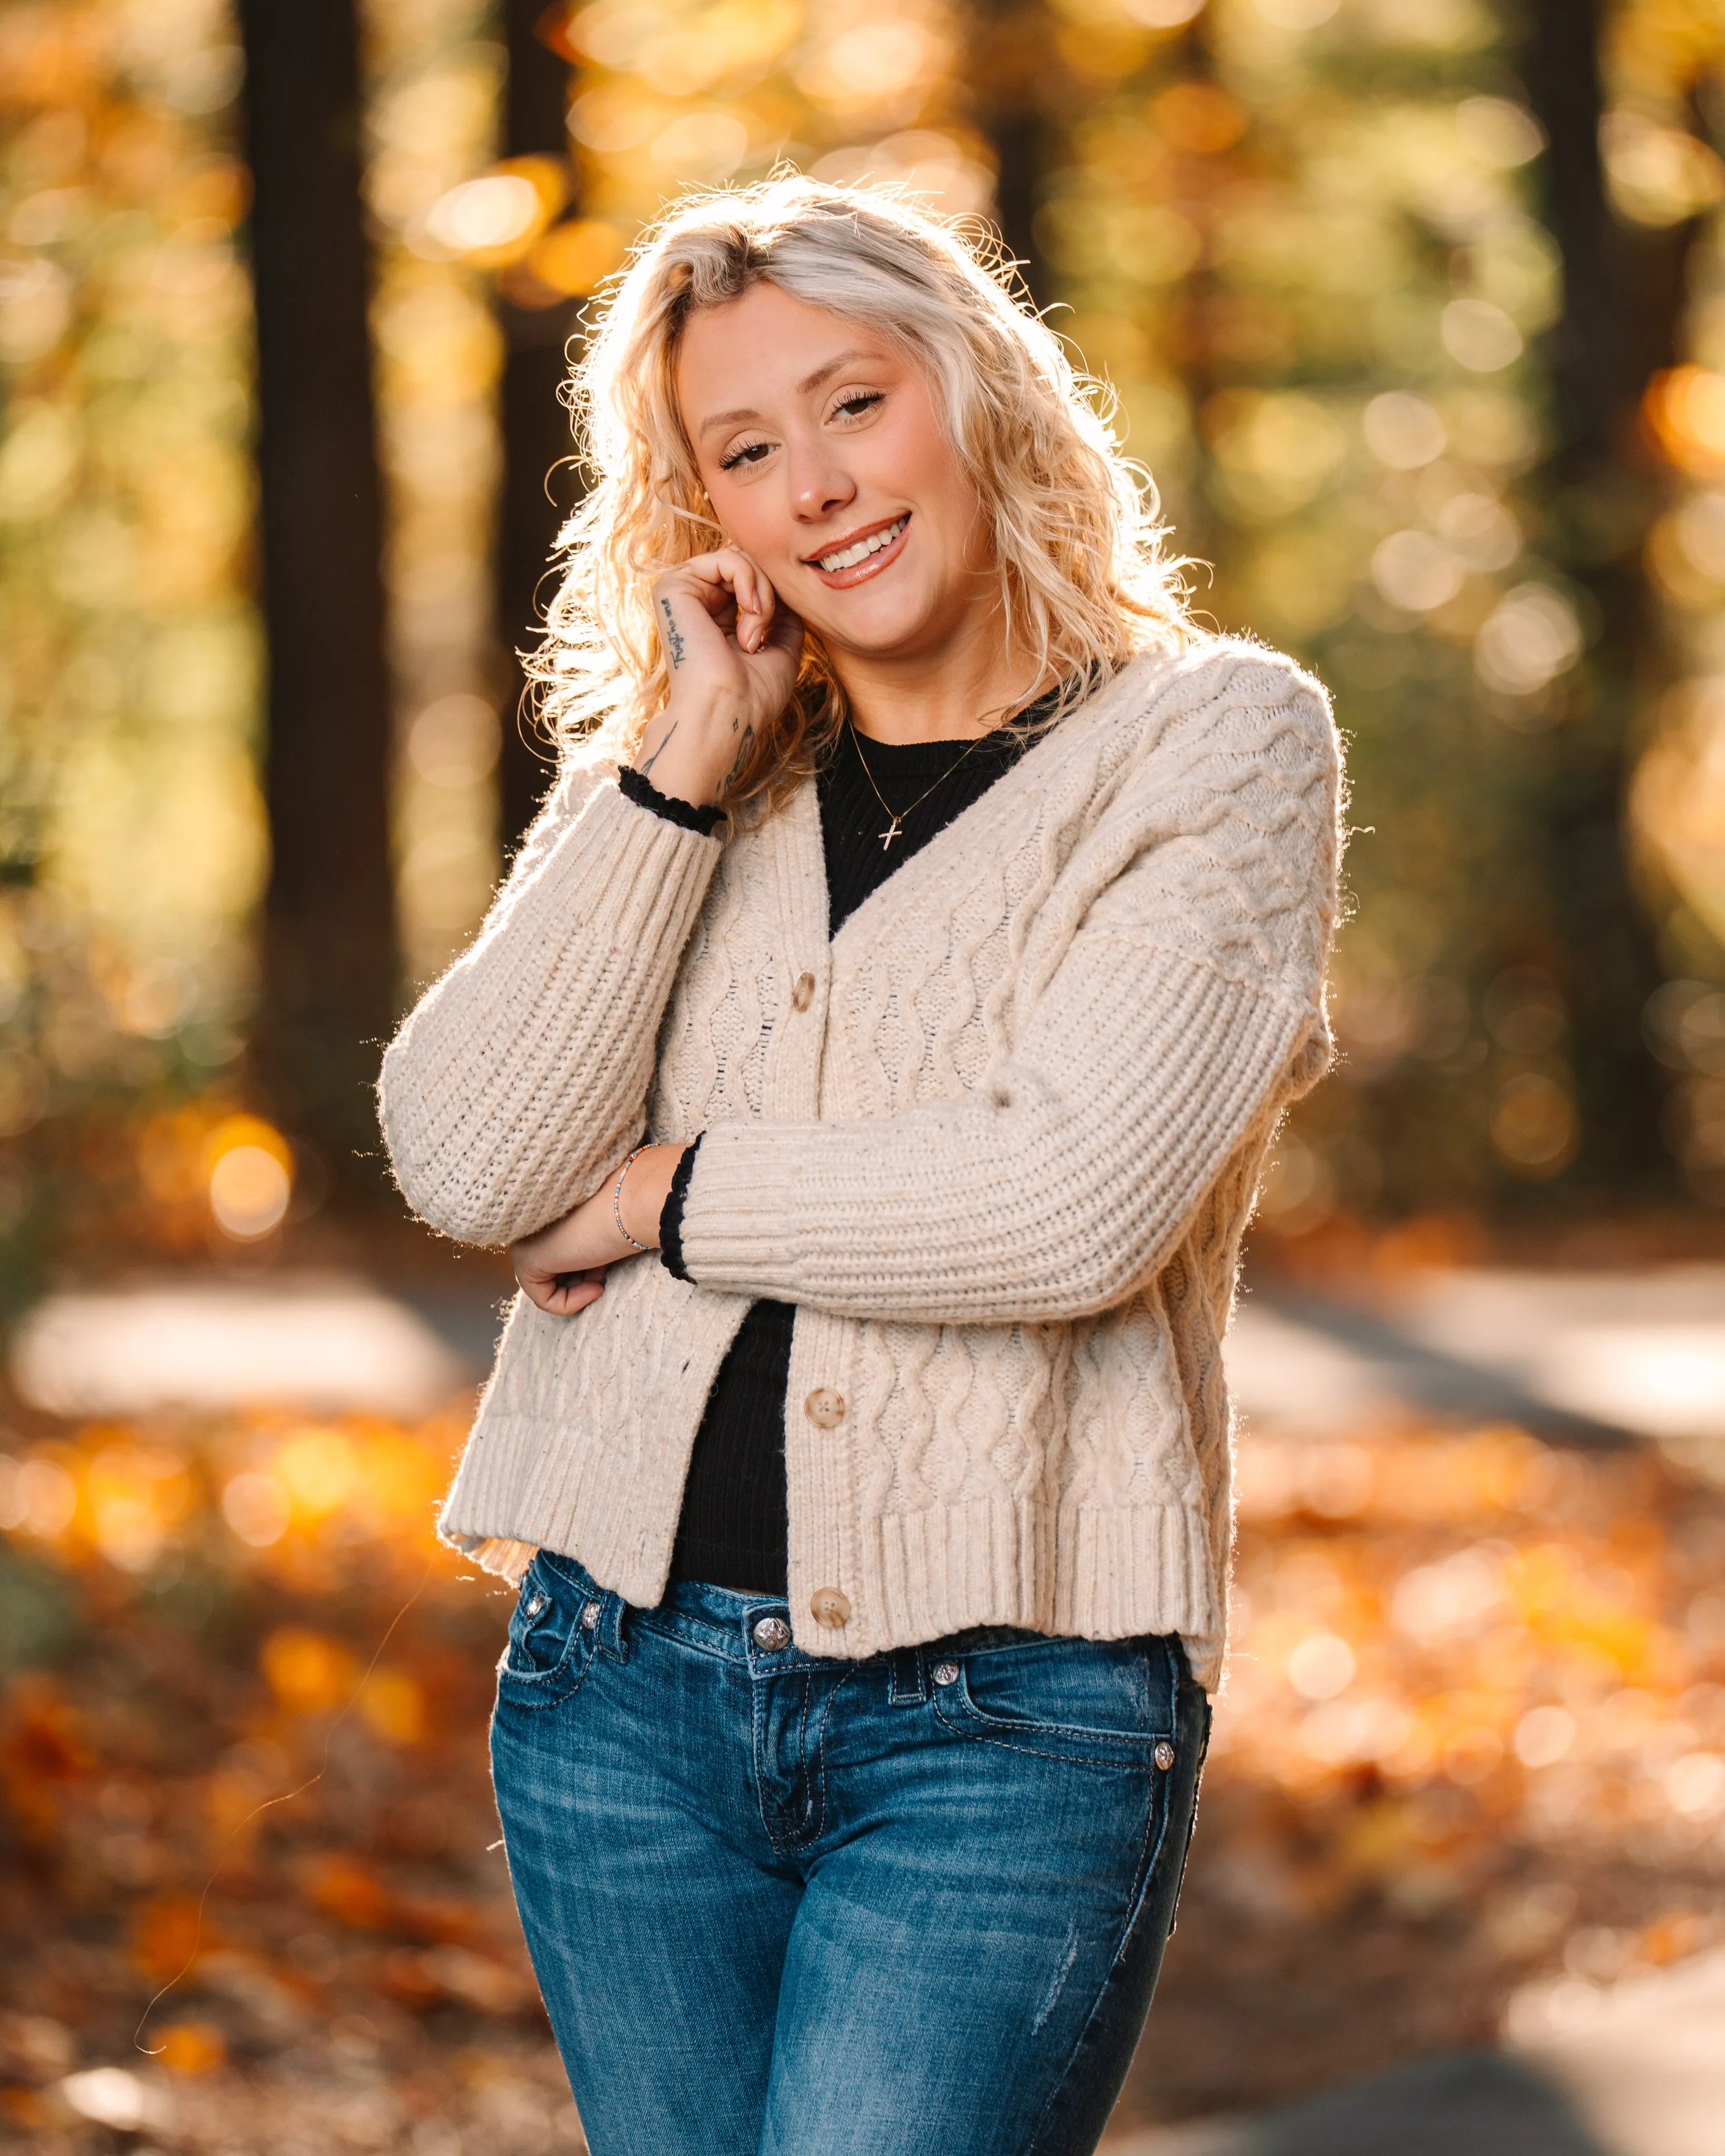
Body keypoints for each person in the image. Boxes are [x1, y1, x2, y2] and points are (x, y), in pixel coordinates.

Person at [377, 175, 1341, 2156]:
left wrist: (660, 1197)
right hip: (614, 1690)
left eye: (851, 404)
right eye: (743, 450)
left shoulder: (1211, 747)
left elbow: (1061, 1199)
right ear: (699, 511)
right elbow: (467, 1153)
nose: (810, 484)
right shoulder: (684, 774)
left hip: (1005, 1723)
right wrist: (674, 765)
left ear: (976, 396)